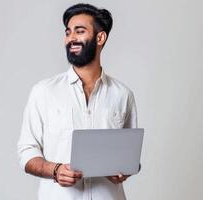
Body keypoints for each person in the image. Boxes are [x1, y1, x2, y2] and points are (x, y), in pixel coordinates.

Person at [17, 3, 138, 200]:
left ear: (100, 37)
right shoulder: (44, 91)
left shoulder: (123, 95)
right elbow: (26, 150)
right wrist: (55, 170)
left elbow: (129, 154)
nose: (71, 38)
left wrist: (126, 169)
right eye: (68, 32)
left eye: (79, 31)